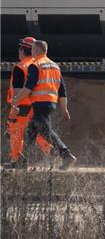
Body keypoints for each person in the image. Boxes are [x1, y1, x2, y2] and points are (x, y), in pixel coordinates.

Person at [10, 40, 75, 168]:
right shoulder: (55, 66)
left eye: (33, 49)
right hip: (50, 103)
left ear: (38, 50)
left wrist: (16, 99)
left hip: (40, 103)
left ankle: (66, 155)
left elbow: (28, 88)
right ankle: (22, 161)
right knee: (31, 132)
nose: (32, 52)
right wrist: (64, 109)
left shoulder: (36, 65)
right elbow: (62, 90)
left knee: (46, 131)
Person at [6, 37, 53, 168]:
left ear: (22, 49)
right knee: (39, 133)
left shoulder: (20, 67)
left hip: (21, 106)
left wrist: (14, 109)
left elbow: (17, 91)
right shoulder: (37, 65)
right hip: (36, 105)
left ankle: (18, 161)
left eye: (19, 48)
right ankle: (52, 153)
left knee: (16, 133)